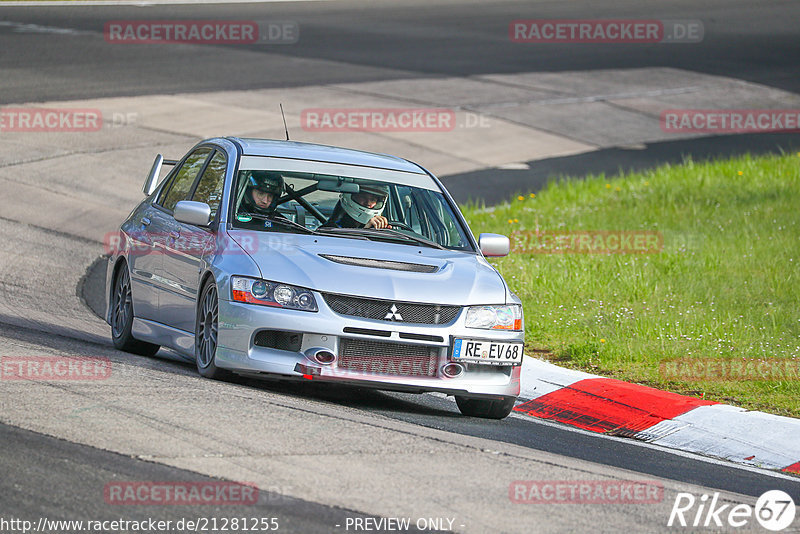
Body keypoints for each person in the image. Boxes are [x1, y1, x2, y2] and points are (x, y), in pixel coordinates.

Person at [323, 183, 391, 229]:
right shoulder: (332, 228)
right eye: (363, 197)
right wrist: (366, 231)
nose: (368, 203)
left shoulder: (380, 227)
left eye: (373, 199)